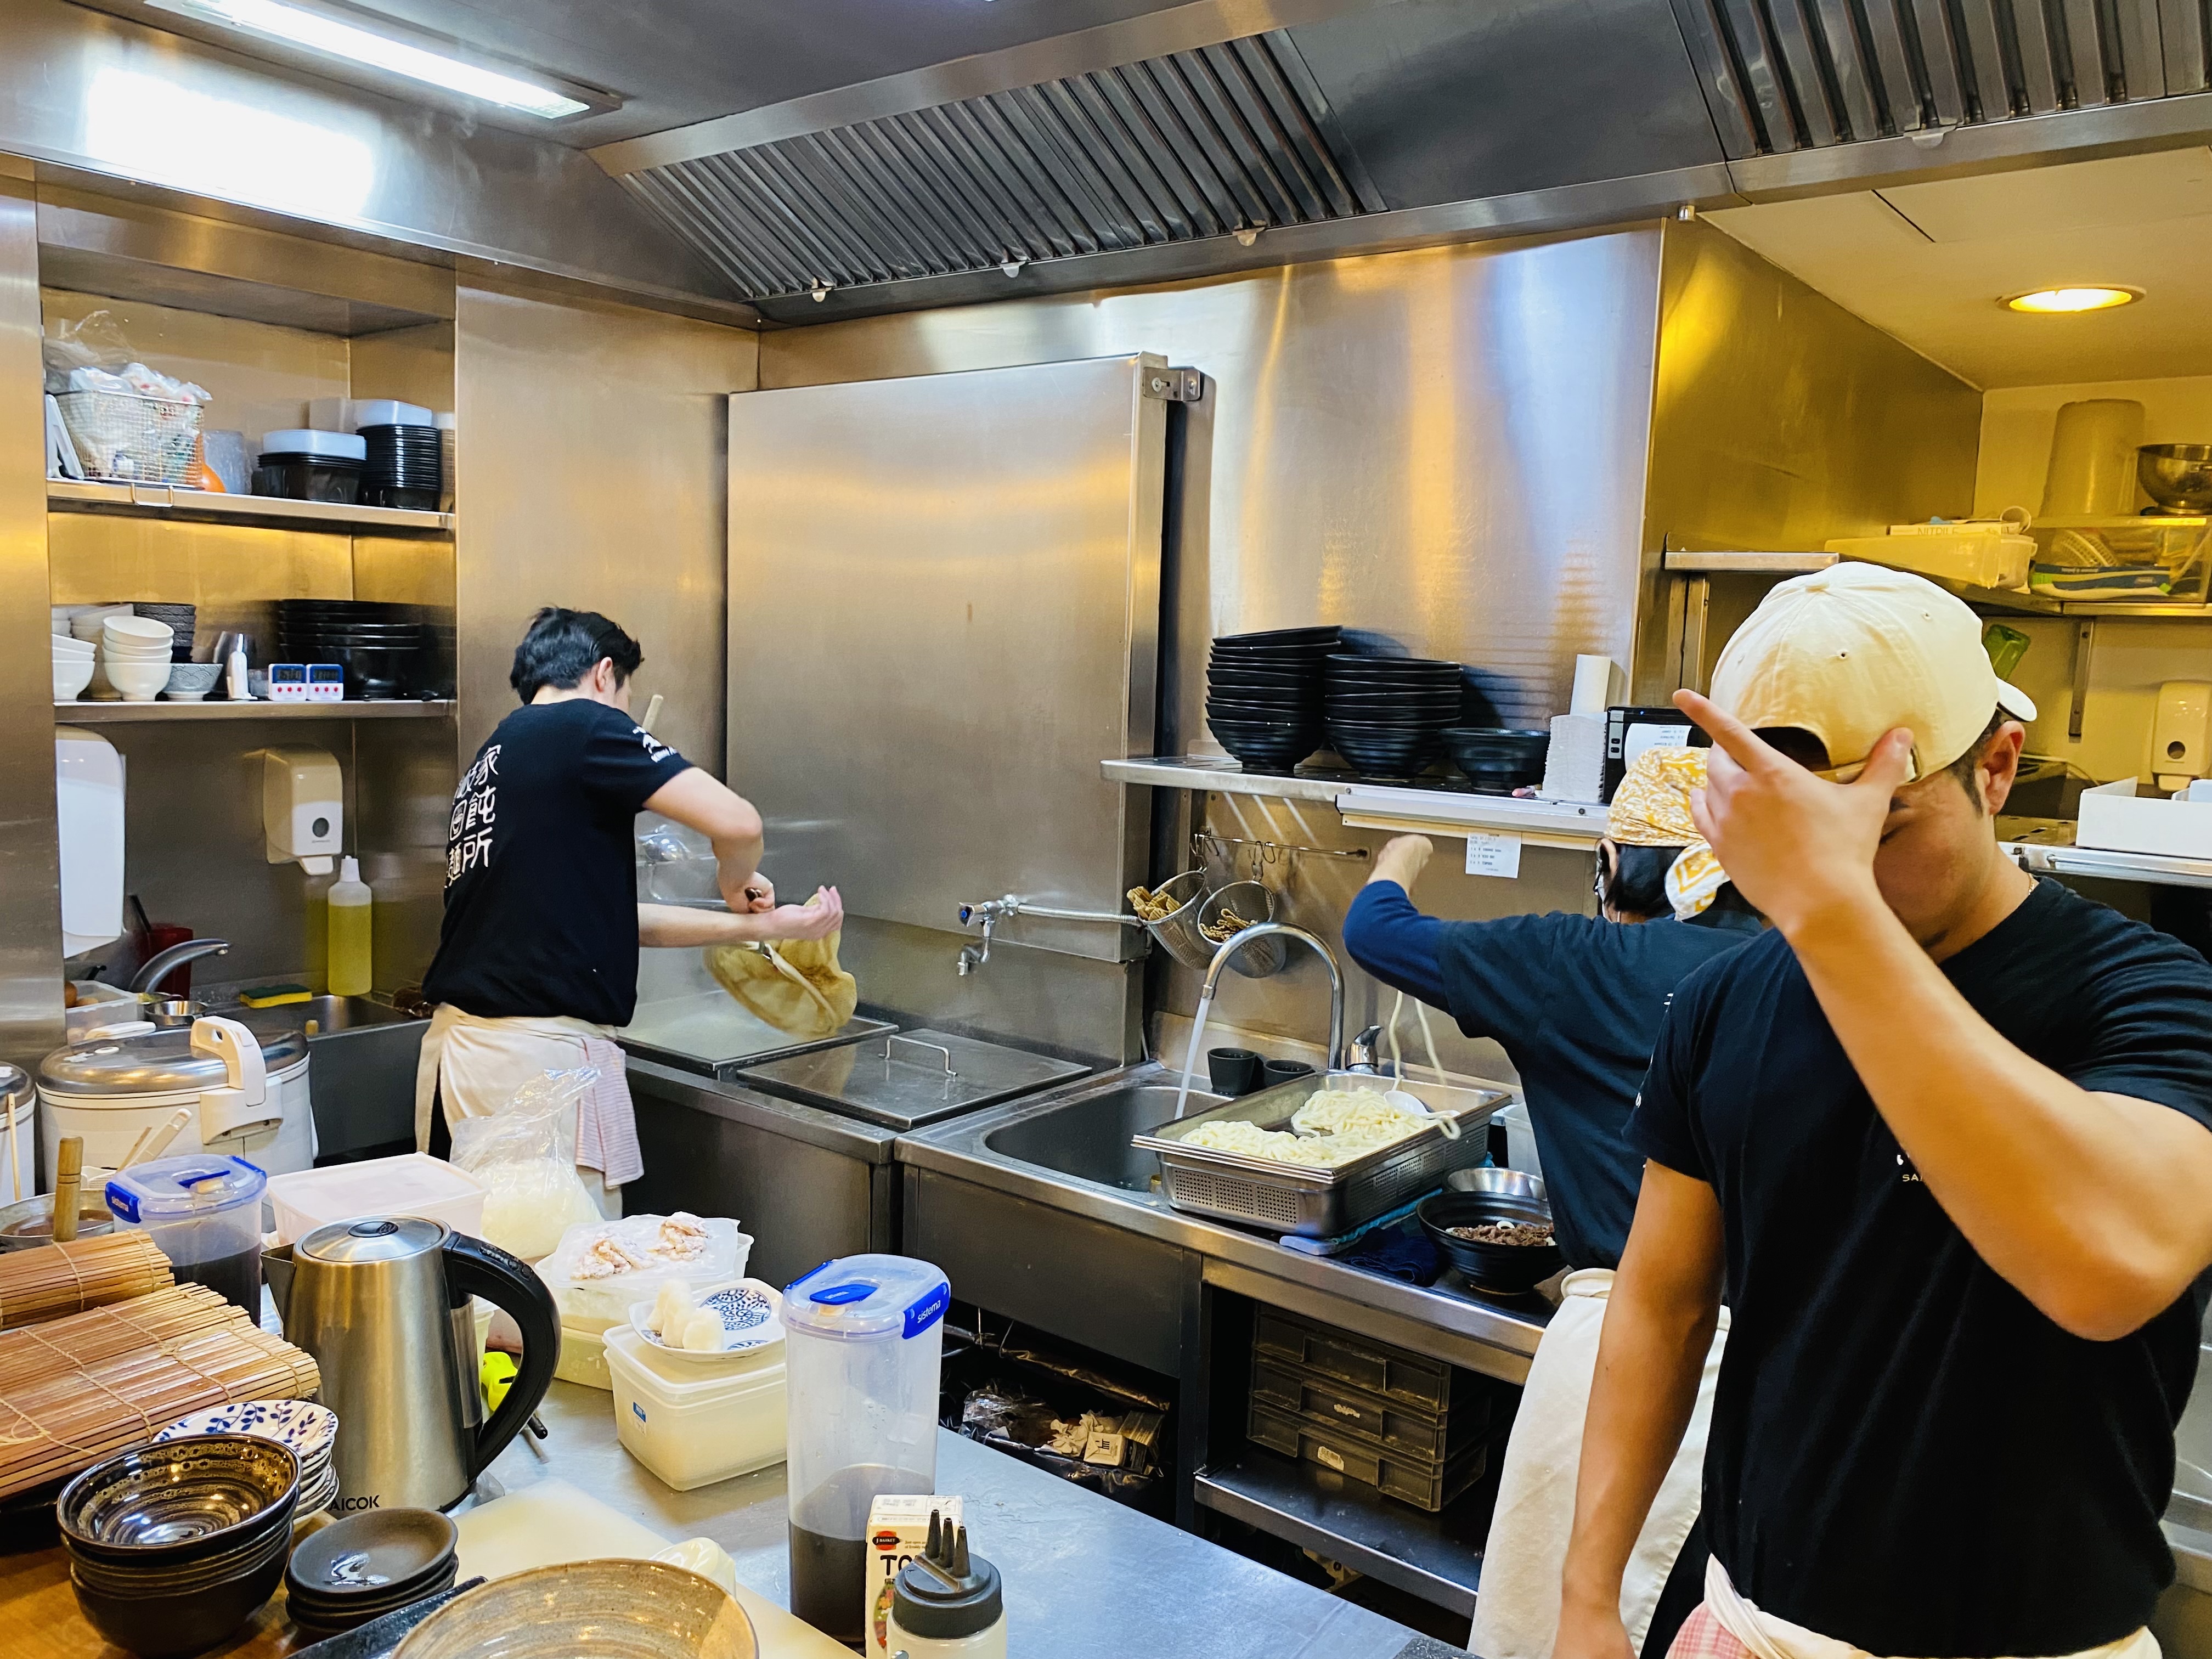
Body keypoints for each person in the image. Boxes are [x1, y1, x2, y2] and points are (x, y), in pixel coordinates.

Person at [1558, 563, 2212, 1659]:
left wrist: (1829, 910)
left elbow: (2113, 1263)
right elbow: (1660, 1304)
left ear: (1996, 767)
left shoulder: (2146, 992)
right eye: (1789, 837)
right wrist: (1586, 1593)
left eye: (1881, 827)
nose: (1833, 873)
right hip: (1754, 1623)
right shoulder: (1723, 1004)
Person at [1340, 744, 1760, 1659]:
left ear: (1612, 863)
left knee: (1558, 1626)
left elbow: (1375, 932)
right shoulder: (1801, 974)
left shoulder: (1576, 961)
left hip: (1622, 1351)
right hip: (1784, 1386)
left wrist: (1403, 853)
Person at [414, 607, 842, 1215]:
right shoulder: (583, 725)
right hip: (531, 1074)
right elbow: (740, 823)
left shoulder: (500, 754)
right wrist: (735, 879)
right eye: (626, 700)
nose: (624, 716)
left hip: (477, 1058)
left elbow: (614, 922)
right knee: (553, 1268)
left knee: (494, 1264)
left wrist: (760, 926)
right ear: (603, 673)